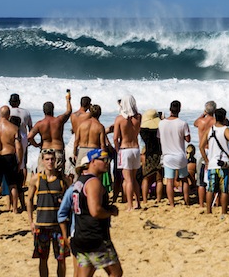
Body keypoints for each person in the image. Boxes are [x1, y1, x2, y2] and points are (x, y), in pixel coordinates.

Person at [71, 149, 122, 277]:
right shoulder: (93, 183)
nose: (107, 163)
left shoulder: (79, 181)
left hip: (81, 235)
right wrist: (110, 211)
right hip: (95, 237)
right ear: (93, 161)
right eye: (103, 160)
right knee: (116, 273)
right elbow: (95, 211)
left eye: (108, 160)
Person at [26, 149, 70, 277]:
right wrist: (31, 222)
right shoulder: (36, 179)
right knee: (43, 259)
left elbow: (71, 198)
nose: (50, 162)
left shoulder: (63, 179)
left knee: (61, 259)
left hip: (59, 226)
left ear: (56, 160)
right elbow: (29, 200)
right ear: (42, 161)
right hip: (41, 225)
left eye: (52, 159)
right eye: (47, 159)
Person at [201, 107, 229, 218]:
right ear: (225, 117)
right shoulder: (225, 129)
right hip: (223, 163)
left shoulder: (210, 130)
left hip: (212, 163)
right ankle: (223, 211)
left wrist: (206, 160)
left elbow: (201, 146)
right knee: (224, 189)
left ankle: (208, 210)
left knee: (210, 188)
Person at [0, 106, 23, 213]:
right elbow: (19, 147)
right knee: (12, 184)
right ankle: (15, 209)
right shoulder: (14, 128)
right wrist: (19, 161)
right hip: (9, 156)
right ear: (9, 115)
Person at [28, 92, 73, 173]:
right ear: (53, 109)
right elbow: (69, 111)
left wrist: (36, 145)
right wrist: (68, 100)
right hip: (58, 150)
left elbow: (29, 137)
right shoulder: (59, 120)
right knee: (58, 176)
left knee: (42, 175)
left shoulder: (40, 124)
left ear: (43, 111)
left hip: (45, 150)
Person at [158, 100, 191, 207]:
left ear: (170, 109)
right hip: (180, 155)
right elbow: (188, 139)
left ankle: (172, 203)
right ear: (179, 110)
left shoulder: (161, 123)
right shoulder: (182, 123)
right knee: (184, 179)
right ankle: (186, 201)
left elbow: (159, 137)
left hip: (168, 156)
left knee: (169, 181)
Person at [113, 95, 142, 211]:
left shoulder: (120, 119)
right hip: (136, 148)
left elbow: (115, 138)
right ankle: (138, 203)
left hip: (125, 149)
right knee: (134, 179)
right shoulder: (139, 117)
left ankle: (130, 205)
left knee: (128, 179)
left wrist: (117, 149)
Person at [194, 100, 216, 207]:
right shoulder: (215, 121)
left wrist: (203, 114)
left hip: (202, 150)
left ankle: (202, 203)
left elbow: (194, 123)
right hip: (211, 150)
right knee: (213, 177)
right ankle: (215, 202)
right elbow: (226, 122)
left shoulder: (200, 121)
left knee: (201, 179)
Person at [139, 109, 163, 206]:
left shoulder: (143, 131)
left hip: (148, 153)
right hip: (158, 153)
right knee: (159, 179)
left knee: (146, 178)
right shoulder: (159, 129)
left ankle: (144, 199)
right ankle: (158, 199)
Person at [66, 96, 91, 179]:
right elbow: (96, 114)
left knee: (70, 169)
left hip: (73, 139)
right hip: (82, 140)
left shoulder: (73, 115)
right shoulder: (88, 115)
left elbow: (74, 128)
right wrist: (91, 108)